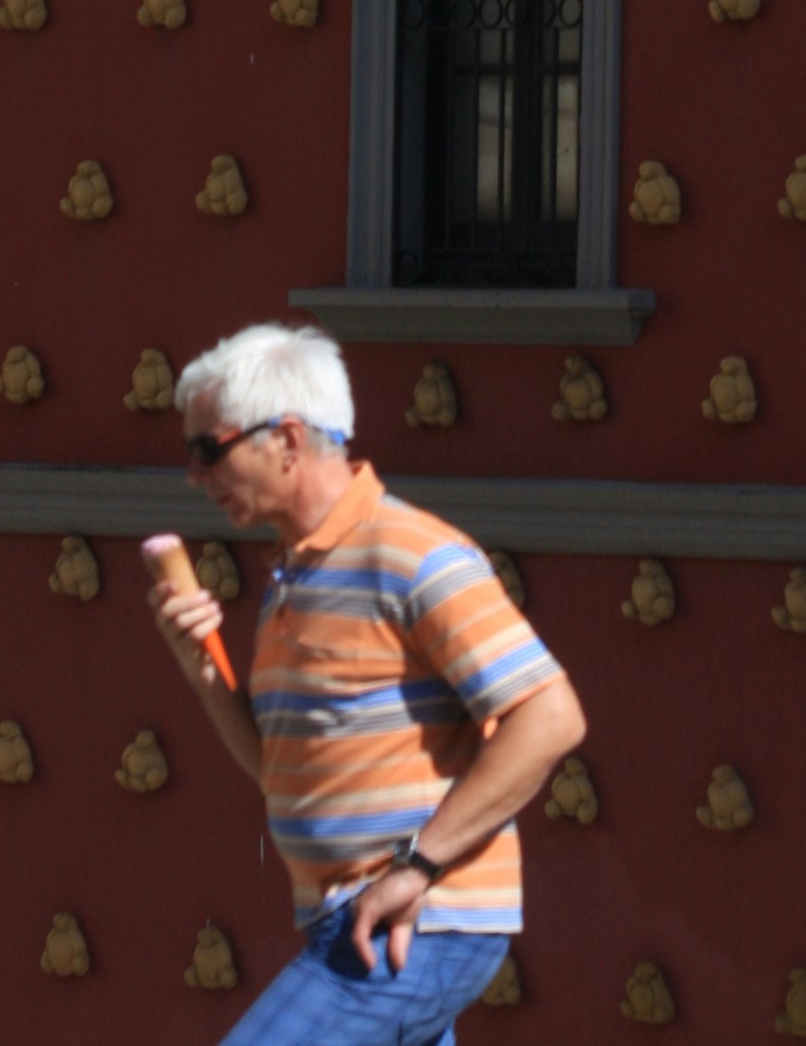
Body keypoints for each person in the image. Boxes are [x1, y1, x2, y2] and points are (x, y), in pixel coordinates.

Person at [147, 320, 584, 1038]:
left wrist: (419, 865)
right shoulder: (298, 573)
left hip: (416, 926)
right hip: (358, 924)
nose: (194, 476)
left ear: (286, 440)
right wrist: (201, 670)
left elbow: (553, 717)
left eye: (208, 449)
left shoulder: (413, 553)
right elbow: (277, 769)